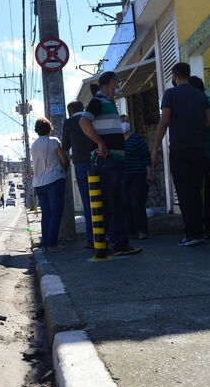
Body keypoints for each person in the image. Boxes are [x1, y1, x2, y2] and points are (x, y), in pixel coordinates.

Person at [151, 63, 210, 246]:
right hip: (199, 149)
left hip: (180, 150)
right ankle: (200, 231)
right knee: (196, 191)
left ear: (174, 76)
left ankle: (191, 233)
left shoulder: (170, 95)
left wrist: (155, 148)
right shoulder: (200, 96)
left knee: (184, 192)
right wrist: (194, 123)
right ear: (189, 74)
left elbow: (164, 122)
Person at [80, 71, 141, 256]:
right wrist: (99, 142)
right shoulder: (98, 101)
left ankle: (115, 242)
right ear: (110, 82)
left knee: (116, 202)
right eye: (117, 83)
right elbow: (83, 122)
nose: (118, 87)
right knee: (112, 203)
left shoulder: (110, 103)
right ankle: (117, 243)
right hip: (108, 161)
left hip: (116, 160)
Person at [31, 117, 70, 252]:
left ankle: (47, 242)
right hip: (54, 180)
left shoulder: (34, 145)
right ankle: (52, 244)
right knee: (56, 213)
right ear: (50, 129)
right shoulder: (53, 141)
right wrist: (63, 173)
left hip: (38, 183)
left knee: (46, 213)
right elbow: (64, 160)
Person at [62, 100, 96, 248]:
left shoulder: (69, 122)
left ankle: (92, 239)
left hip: (81, 164)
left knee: (88, 203)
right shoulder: (92, 118)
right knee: (104, 199)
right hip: (98, 161)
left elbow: (65, 145)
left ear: (70, 112)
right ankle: (107, 235)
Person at [189, 76, 210, 238]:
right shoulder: (206, 102)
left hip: (205, 152)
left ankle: (207, 228)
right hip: (203, 151)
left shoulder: (208, 103)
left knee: (203, 190)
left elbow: (207, 125)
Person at [121, 115, 152, 239]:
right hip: (123, 176)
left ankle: (142, 230)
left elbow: (146, 157)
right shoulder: (117, 141)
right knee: (126, 203)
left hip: (138, 175)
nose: (124, 123)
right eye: (121, 121)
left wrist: (149, 173)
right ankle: (131, 231)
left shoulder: (137, 139)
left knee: (137, 202)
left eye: (126, 121)